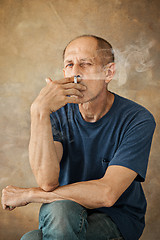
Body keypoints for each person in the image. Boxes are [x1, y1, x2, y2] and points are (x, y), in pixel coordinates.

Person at [1, 35, 156, 240]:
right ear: (63, 72)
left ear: (108, 73)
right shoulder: (55, 113)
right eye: (70, 65)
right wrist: (38, 111)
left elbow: (107, 193)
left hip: (117, 216)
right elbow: (47, 182)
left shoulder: (137, 118)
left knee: (45, 225)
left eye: (85, 64)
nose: (75, 74)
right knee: (47, 223)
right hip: (65, 209)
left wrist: (30, 195)